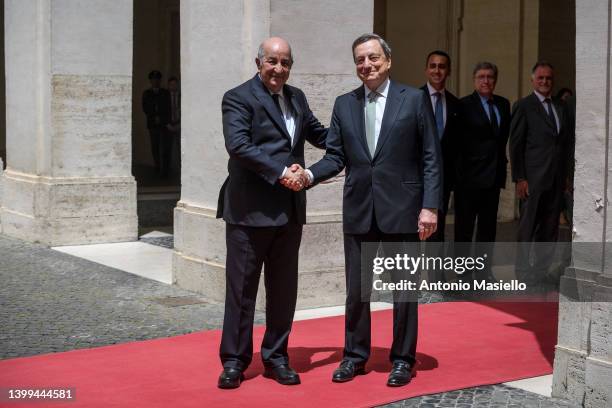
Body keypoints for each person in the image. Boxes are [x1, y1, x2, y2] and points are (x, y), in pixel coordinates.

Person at [304, 33, 441, 387]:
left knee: (404, 291)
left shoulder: (413, 99)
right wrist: (307, 175)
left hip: (404, 209)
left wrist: (430, 207)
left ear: (388, 61)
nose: (366, 65)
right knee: (357, 292)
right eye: (360, 60)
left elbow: (431, 156)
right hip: (360, 209)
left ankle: (402, 360)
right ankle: (354, 356)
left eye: (373, 58)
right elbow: (335, 156)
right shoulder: (344, 104)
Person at [216, 37, 327, 389]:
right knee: (242, 290)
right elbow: (239, 146)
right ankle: (235, 361)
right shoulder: (238, 97)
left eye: (285, 62)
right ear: (258, 62)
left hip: (288, 212)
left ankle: (277, 357)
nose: (279, 69)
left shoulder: (297, 97)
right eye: (272, 61)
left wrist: (356, 132)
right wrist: (283, 173)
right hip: (250, 211)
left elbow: (317, 133)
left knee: (283, 291)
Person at [509, 61, 571, 283]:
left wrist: (565, 177)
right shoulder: (523, 106)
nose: (545, 82)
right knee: (528, 228)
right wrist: (520, 178)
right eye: (541, 78)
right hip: (532, 180)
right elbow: (516, 145)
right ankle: (524, 272)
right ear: (532, 79)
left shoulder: (560, 107)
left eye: (549, 78)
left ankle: (541, 271)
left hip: (555, 179)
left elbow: (563, 144)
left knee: (549, 228)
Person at [454, 62, 510, 246]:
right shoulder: (463, 105)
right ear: (474, 80)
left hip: (493, 178)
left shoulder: (503, 104)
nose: (486, 80)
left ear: (495, 80)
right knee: (464, 229)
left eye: (490, 77)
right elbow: (458, 143)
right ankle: (463, 272)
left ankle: (483, 271)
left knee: (488, 229)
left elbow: (501, 139)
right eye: (481, 77)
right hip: (469, 180)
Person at [420, 50, 461, 243]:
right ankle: (412, 273)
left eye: (442, 66)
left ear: (449, 71)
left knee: (438, 228)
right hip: (415, 177)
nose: (437, 70)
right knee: (412, 231)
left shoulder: (456, 104)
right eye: (433, 66)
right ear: (427, 70)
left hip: (443, 179)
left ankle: (436, 274)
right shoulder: (412, 98)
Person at [142, 70, 171, 176]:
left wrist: (162, 118)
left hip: (164, 124)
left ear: (160, 80)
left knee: (164, 148)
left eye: (157, 79)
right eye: (153, 79)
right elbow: (145, 108)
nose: (155, 81)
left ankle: (165, 171)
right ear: (150, 81)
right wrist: (154, 117)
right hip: (152, 124)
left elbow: (168, 107)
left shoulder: (165, 92)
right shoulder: (146, 93)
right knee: (155, 147)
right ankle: (157, 168)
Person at [167, 76, 181, 175]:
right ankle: (167, 171)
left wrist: (180, 124)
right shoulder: (164, 96)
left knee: (180, 148)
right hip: (168, 125)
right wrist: (168, 124)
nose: (173, 86)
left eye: (175, 84)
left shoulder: (182, 96)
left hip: (180, 125)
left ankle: (181, 169)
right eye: (171, 84)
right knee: (167, 149)